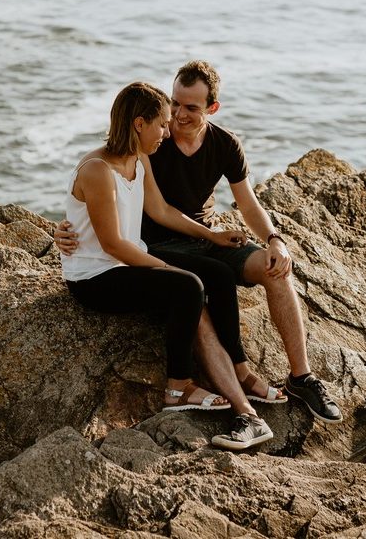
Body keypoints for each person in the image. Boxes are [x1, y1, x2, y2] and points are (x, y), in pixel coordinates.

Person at [58, 62, 342, 425]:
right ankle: (231, 404)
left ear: (211, 108)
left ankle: (300, 378)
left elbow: (243, 202)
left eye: (189, 107)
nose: (176, 117)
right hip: (151, 248)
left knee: (271, 271)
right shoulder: (146, 146)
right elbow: (97, 199)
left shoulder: (218, 144)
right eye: (173, 106)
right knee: (193, 290)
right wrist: (64, 231)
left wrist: (273, 240)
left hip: (199, 238)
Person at [61, 81, 275, 449]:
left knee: (219, 274)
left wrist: (212, 237)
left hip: (128, 259)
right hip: (96, 275)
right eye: (160, 123)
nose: (168, 129)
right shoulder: (97, 169)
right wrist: (163, 268)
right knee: (188, 287)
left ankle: (239, 368)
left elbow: (159, 210)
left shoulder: (137, 160)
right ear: (139, 124)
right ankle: (177, 387)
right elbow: (112, 244)